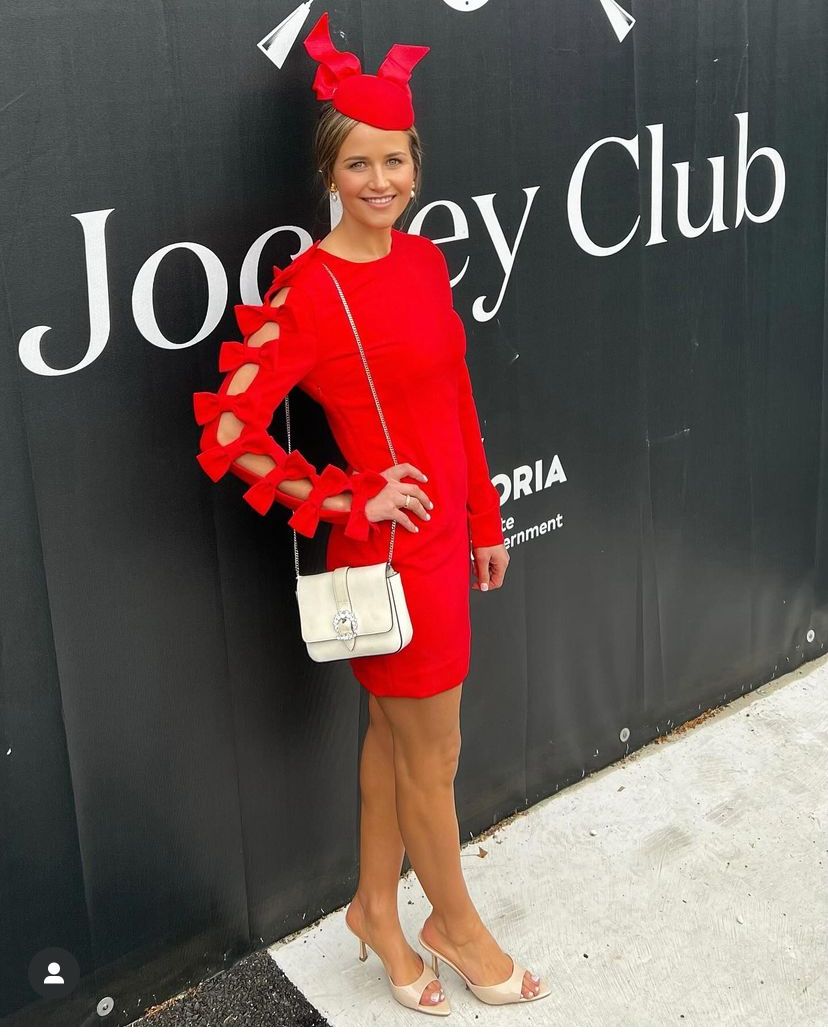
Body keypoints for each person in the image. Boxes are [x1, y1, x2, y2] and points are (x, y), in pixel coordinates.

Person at [193, 10, 550, 1016]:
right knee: (433, 757)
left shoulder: (426, 261)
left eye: (394, 159)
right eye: (359, 163)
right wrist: (348, 493)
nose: (380, 179)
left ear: (415, 164)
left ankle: (375, 910)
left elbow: (457, 401)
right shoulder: (309, 290)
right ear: (330, 171)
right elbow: (229, 429)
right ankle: (457, 927)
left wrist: (485, 519)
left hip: (444, 542)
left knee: (399, 743)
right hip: (387, 555)